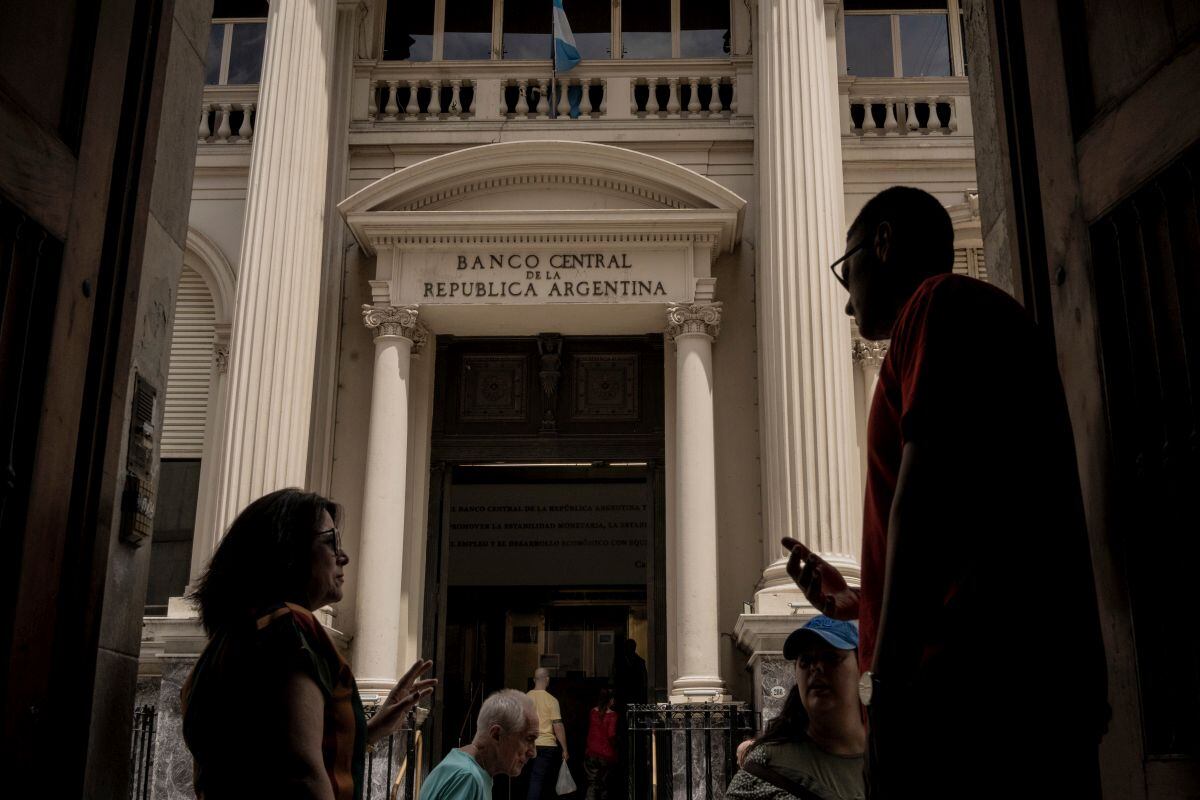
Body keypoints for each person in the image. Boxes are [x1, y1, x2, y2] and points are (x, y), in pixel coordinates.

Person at [784, 186, 1108, 798]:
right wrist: (861, 602)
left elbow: (925, 498)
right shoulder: (958, 317)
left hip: (974, 686)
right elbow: (976, 519)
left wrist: (890, 692)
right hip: (1003, 673)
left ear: (882, 243)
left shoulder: (937, 304)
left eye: (846, 269)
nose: (847, 301)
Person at [181, 488, 437, 800]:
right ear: (289, 550)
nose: (343, 557)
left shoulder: (226, 643)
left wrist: (368, 731)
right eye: (331, 542)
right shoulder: (288, 628)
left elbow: (266, 754)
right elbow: (302, 773)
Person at [727, 616, 865, 800]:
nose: (816, 667)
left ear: (862, 667)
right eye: (805, 661)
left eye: (831, 658)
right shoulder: (765, 769)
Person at [421, 689, 540, 800]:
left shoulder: (467, 769)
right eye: (529, 739)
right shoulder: (468, 777)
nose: (533, 753)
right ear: (496, 735)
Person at [525, 667, 569, 799]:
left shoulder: (525, 699)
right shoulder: (552, 700)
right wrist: (565, 749)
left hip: (528, 744)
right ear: (547, 680)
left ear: (534, 680)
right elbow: (558, 725)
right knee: (542, 781)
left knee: (530, 779)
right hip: (547, 746)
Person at [583, 688, 618, 800]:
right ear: (610, 700)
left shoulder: (593, 712)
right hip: (605, 754)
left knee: (592, 784)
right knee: (604, 784)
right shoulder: (612, 715)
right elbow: (611, 734)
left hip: (591, 752)